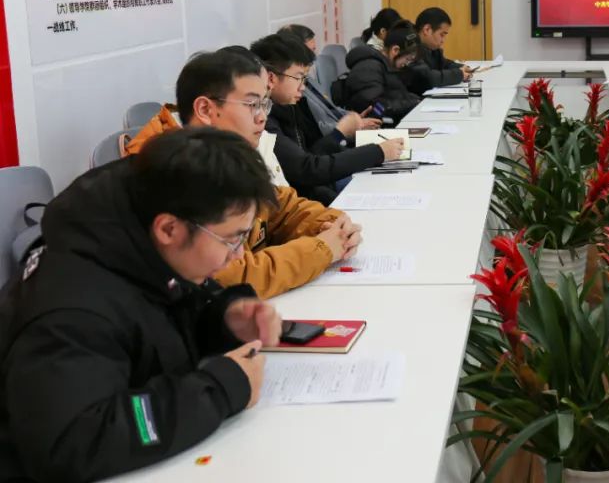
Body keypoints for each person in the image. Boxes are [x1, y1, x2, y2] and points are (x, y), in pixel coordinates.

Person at [0, 128, 283, 480]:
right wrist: (221, 389)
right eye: (231, 239)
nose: (238, 254)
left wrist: (223, 319)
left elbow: (155, 328)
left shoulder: (137, 235)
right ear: (169, 229)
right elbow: (73, 441)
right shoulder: (73, 310)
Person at [126, 48, 362, 298]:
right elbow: (230, 276)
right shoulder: (167, 171)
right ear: (205, 109)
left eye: (264, 104)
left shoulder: (223, 154)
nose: (262, 118)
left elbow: (281, 207)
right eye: (252, 104)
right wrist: (322, 249)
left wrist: (332, 225)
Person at [251, 33, 403, 205]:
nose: (303, 87)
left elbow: (311, 157)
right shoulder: (265, 120)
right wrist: (377, 152)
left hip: (319, 190)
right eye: (298, 77)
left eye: (305, 79)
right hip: (307, 200)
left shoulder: (290, 105)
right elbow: (307, 169)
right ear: (271, 78)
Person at [341, 20, 423, 123]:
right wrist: (411, 104)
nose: (407, 63)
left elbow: (396, 95)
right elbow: (375, 108)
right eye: (407, 59)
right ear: (395, 50)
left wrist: (416, 101)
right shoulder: (368, 68)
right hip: (373, 126)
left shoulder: (385, 66)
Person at [403, 7, 473, 94]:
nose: (443, 40)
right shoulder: (409, 47)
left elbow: (444, 64)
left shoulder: (431, 49)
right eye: (442, 35)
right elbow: (427, 78)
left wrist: (461, 67)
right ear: (427, 30)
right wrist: (459, 74)